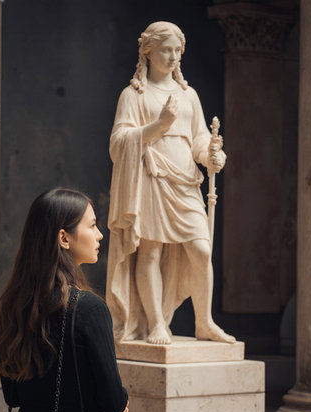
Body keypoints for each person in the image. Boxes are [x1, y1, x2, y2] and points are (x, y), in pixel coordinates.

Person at [106, 21, 235, 345]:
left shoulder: (188, 94)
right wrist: (159, 124)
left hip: (185, 180)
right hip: (150, 176)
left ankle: (203, 322)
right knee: (149, 251)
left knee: (201, 250)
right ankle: (156, 324)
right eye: (167, 49)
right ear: (148, 51)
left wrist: (210, 155)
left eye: (178, 50)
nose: (174, 56)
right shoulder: (133, 95)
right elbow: (119, 142)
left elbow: (199, 137)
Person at [0, 188, 129, 412]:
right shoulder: (90, 310)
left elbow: (13, 396)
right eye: (92, 225)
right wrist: (115, 405)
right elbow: (113, 404)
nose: (100, 234)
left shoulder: (13, 307)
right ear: (64, 238)